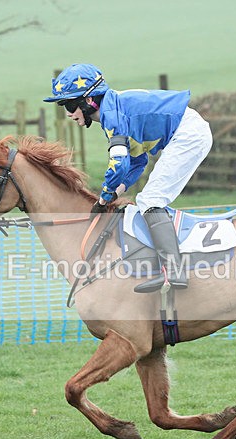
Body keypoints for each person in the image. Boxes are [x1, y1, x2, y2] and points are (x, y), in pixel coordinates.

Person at [44, 63, 213, 293]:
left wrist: (104, 196)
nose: (69, 113)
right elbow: (137, 161)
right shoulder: (113, 110)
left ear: (89, 100)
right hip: (188, 130)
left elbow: (119, 163)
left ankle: (173, 272)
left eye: (70, 104)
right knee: (148, 199)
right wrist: (114, 193)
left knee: (150, 200)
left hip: (189, 134)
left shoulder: (112, 115)